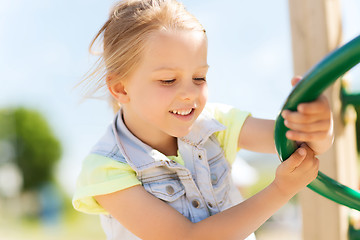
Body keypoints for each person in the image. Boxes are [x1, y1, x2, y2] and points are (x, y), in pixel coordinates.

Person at [72, 0, 334, 239]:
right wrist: (280, 191)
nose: (189, 94)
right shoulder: (106, 169)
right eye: (168, 80)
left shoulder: (214, 124)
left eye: (199, 77)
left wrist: (316, 124)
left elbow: (299, 141)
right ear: (120, 88)